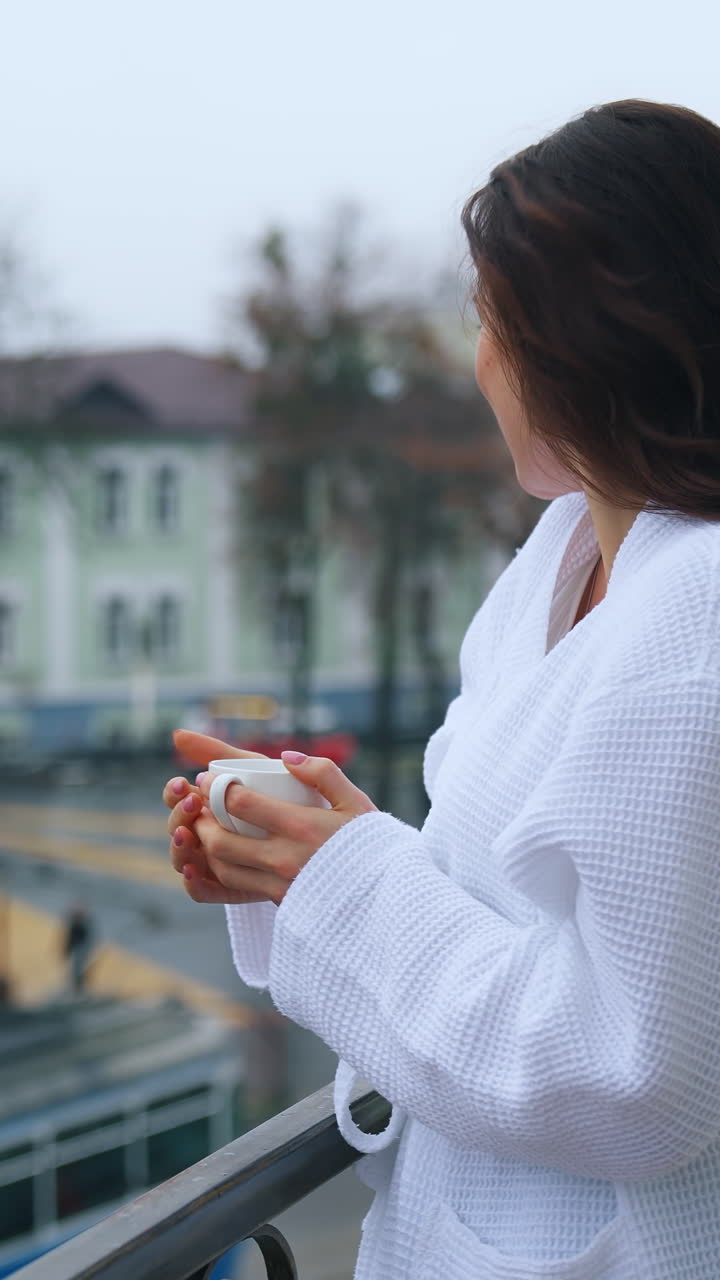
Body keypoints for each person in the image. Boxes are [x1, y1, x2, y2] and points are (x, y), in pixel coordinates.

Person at [163, 100, 720, 1278]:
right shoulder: (566, 557)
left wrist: (343, 882)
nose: (481, 359)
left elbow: (634, 1070)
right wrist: (323, 848)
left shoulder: (699, 615)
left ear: (583, 339)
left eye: (490, 318)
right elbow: (521, 896)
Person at [62, 903, 95, 995]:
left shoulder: (82, 924)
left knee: (79, 968)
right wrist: (67, 949)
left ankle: (79, 989)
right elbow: (69, 939)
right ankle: (77, 988)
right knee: (75, 969)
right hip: (77, 950)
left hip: (81, 950)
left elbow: (83, 939)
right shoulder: (75, 924)